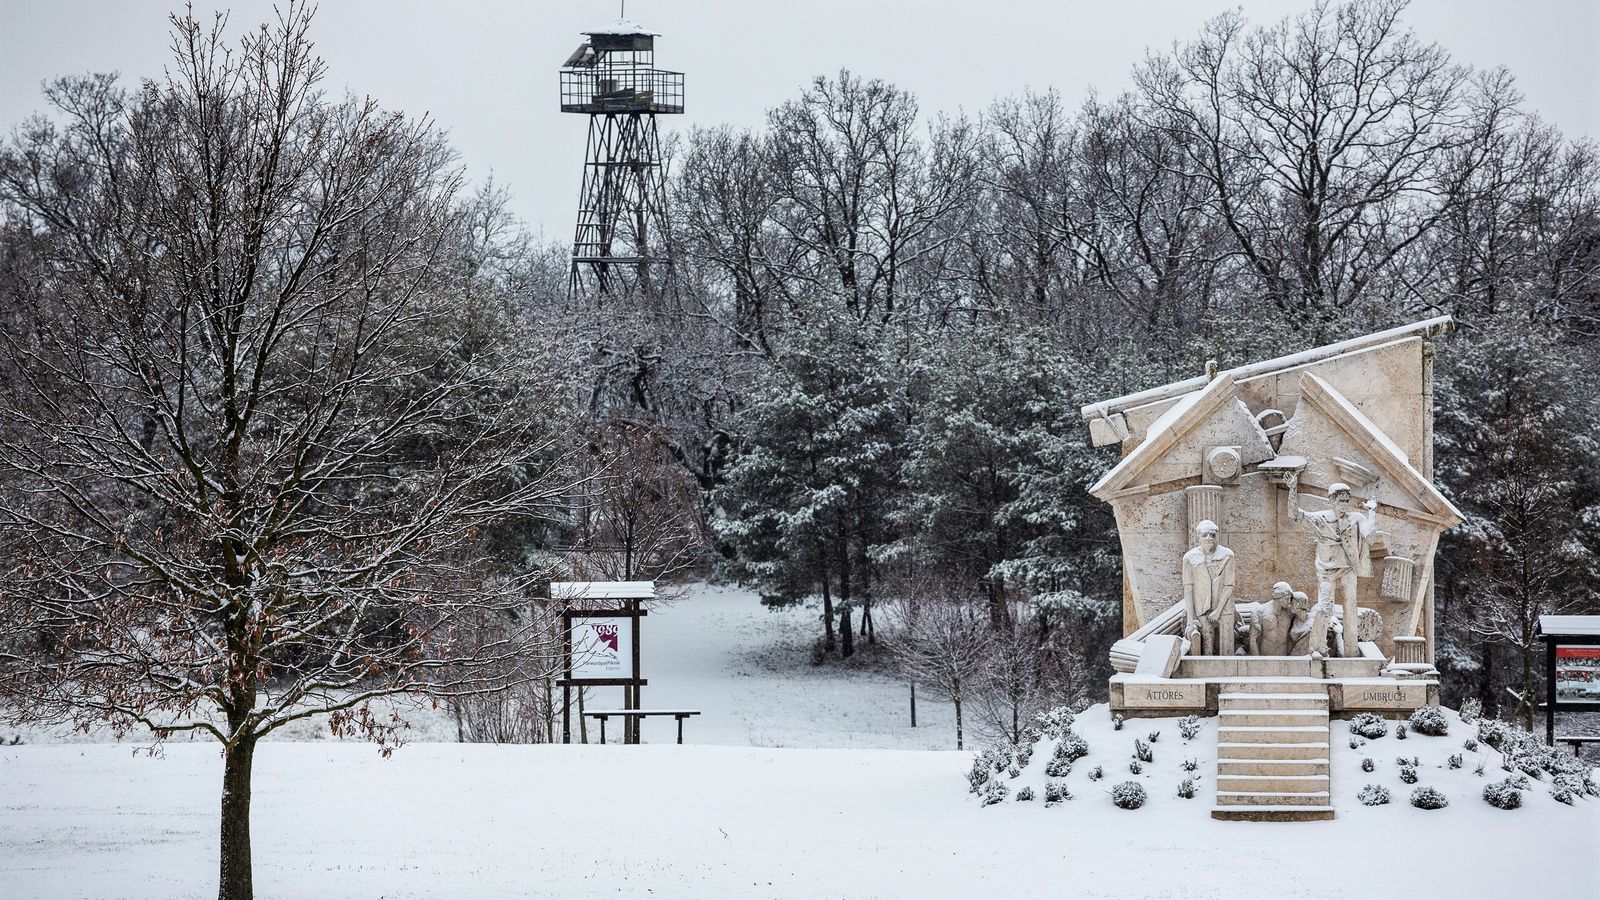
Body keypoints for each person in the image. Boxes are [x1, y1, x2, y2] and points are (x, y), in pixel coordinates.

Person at [1288, 478, 1376, 658]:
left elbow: (1368, 533)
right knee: (1325, 607)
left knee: (1351, 608)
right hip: (1326, 570)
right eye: (1340, 500)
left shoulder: (1355, 519)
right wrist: (1292, 488)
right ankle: (1317, 648)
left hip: (1348, 568)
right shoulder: (1321, 518)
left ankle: (1351, 651)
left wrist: (1372, 512)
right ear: (1331, 500)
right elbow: (1294, 514)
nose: (1344, 504)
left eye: (1346, 501)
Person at [1181, 520, 1236, 656]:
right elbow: (1188, 589)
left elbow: (1229, 585)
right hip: (1202, 607)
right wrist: (1190, 619)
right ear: (1198, 536)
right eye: (1205, 535)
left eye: (1212, 534)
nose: (1209, 538)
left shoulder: (1227, 555)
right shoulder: (1189, 558)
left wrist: (1218, 611)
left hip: (1224, 607)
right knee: (1207, 648)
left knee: (1226, 649)